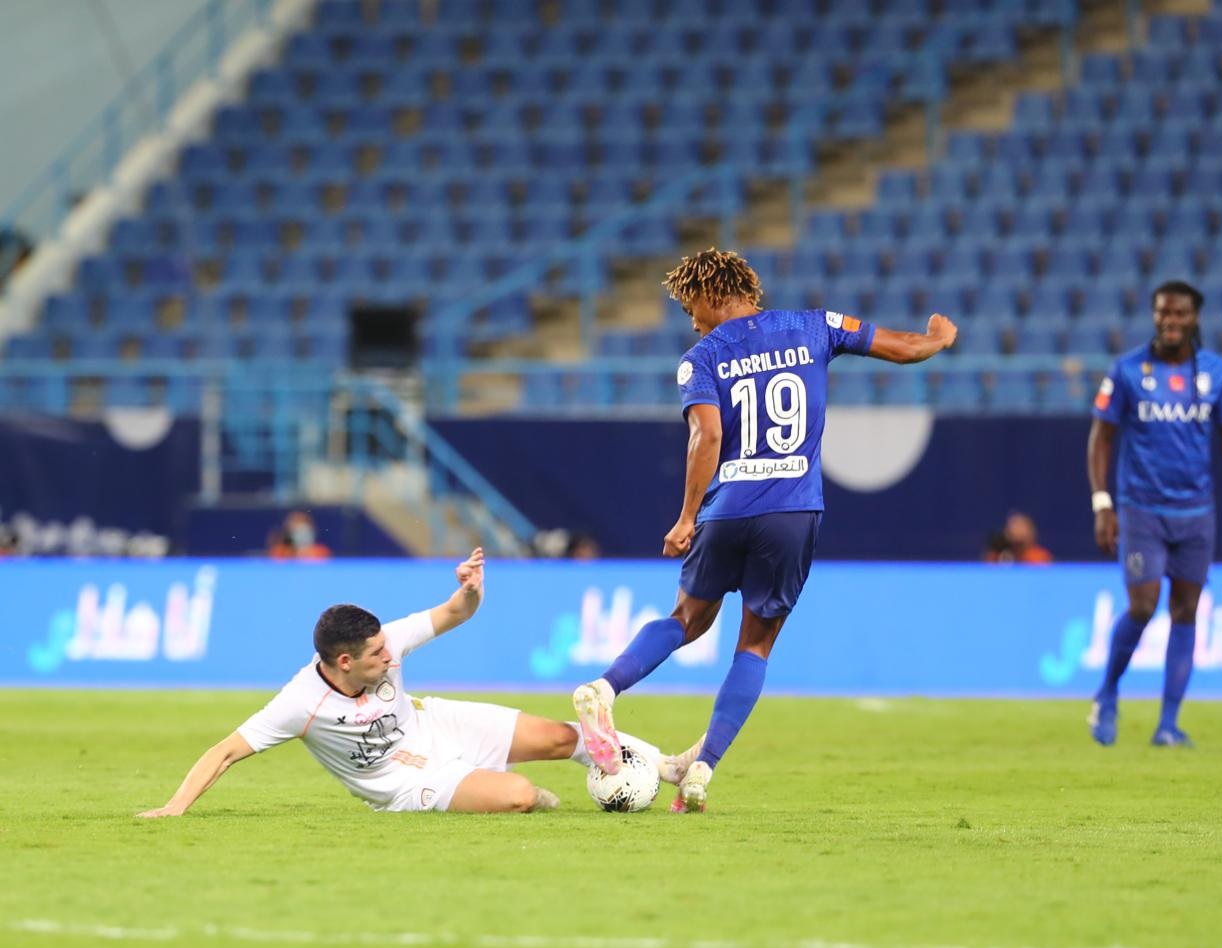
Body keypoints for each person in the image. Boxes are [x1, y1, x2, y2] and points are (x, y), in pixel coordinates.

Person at [572, 247, 958, 812]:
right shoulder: (815, 325)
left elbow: (705, 437)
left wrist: (686, 518)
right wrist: (938, 340)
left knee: (686, 619)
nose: (692, 320)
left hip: (727, 508)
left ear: (710, 294)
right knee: (754, 644)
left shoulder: (699, 358)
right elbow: (901, 347)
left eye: (690, 307)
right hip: (793, 510)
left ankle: (603, 690)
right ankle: (701, 772)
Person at [138, 548, 701, 817]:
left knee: (560, 736)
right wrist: (174, 807)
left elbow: (455, 612)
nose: (389, 653)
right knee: (521, 797)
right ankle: (526, 791)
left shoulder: (389, 639)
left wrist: (471, 588)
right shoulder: (300, 703)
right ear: (342, 662)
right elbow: (226, 751)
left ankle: (666, 767)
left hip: (436, 722)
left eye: (387, 645)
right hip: (402, 782)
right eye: (376, 653)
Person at [1087, 280, 1222, 748]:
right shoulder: (1126, 371)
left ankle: (1168, 725)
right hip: (1141, 509)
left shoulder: (1217, 373)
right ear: (1155, 314)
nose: (1171, 321)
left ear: (1195, 318)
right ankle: (1107, 693)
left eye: (1180, 314)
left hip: (1197, 512)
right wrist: (1103, 503)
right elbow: (1100, 439)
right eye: (1164, 312)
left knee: (1186, 612)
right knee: (1142, 605)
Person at [984, 511, 1053, 563]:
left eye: (1022, 527)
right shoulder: (997, 556)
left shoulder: (1040, 557)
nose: (1018, 532)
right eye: (1015, 527)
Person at [267, 510, 332, 561]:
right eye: (297, 529)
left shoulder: (321, 552)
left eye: (304, 528)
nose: (302, 533)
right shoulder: (280, 552)